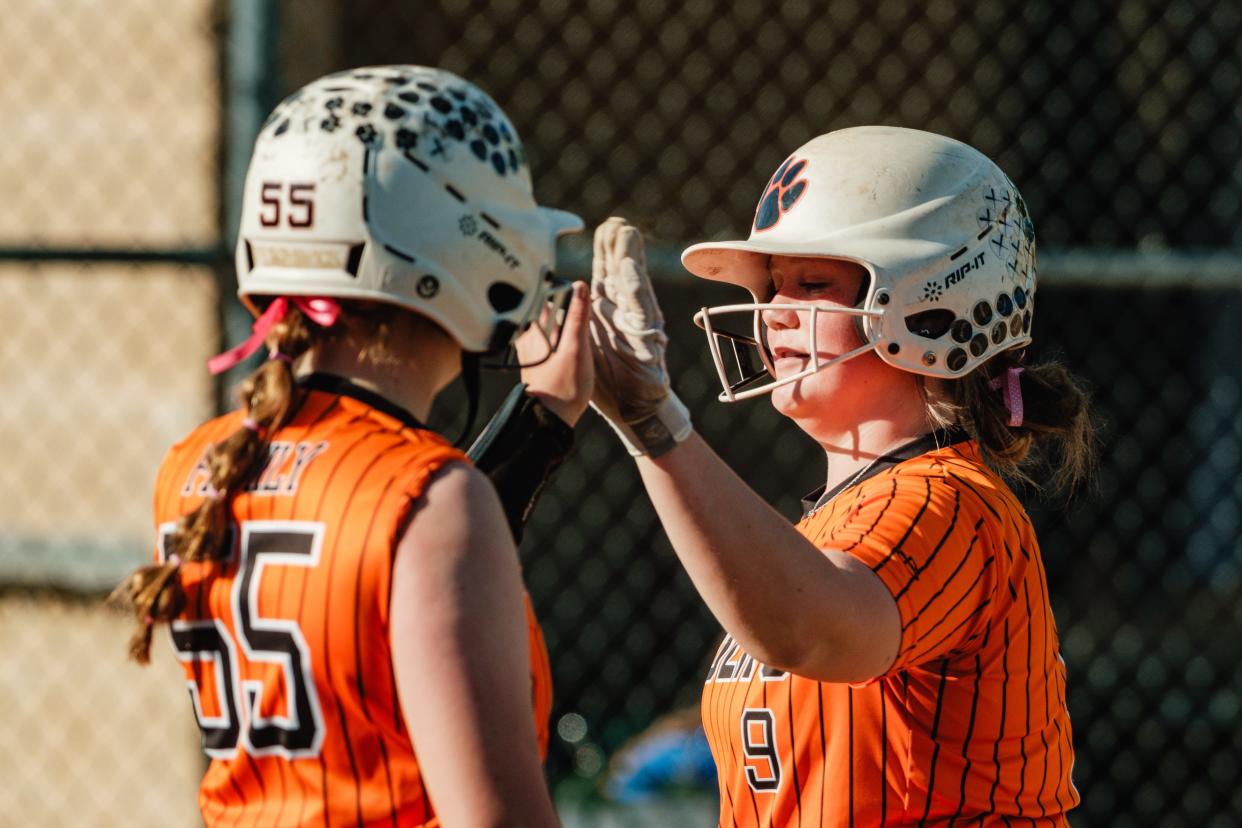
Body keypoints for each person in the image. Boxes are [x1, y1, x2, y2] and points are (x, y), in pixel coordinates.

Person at [111, 65, 593, 827]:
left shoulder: (197, 463)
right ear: (463, 244)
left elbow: (376, 579)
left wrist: (540, 425)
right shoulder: (429, 495)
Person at [586, 126, 1095, 825]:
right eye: (771, 286)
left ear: (929, 299)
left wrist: (657, 430)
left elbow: (807, 630)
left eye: (812, 283)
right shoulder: (832, 523)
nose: (773, 313)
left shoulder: (949, 502)